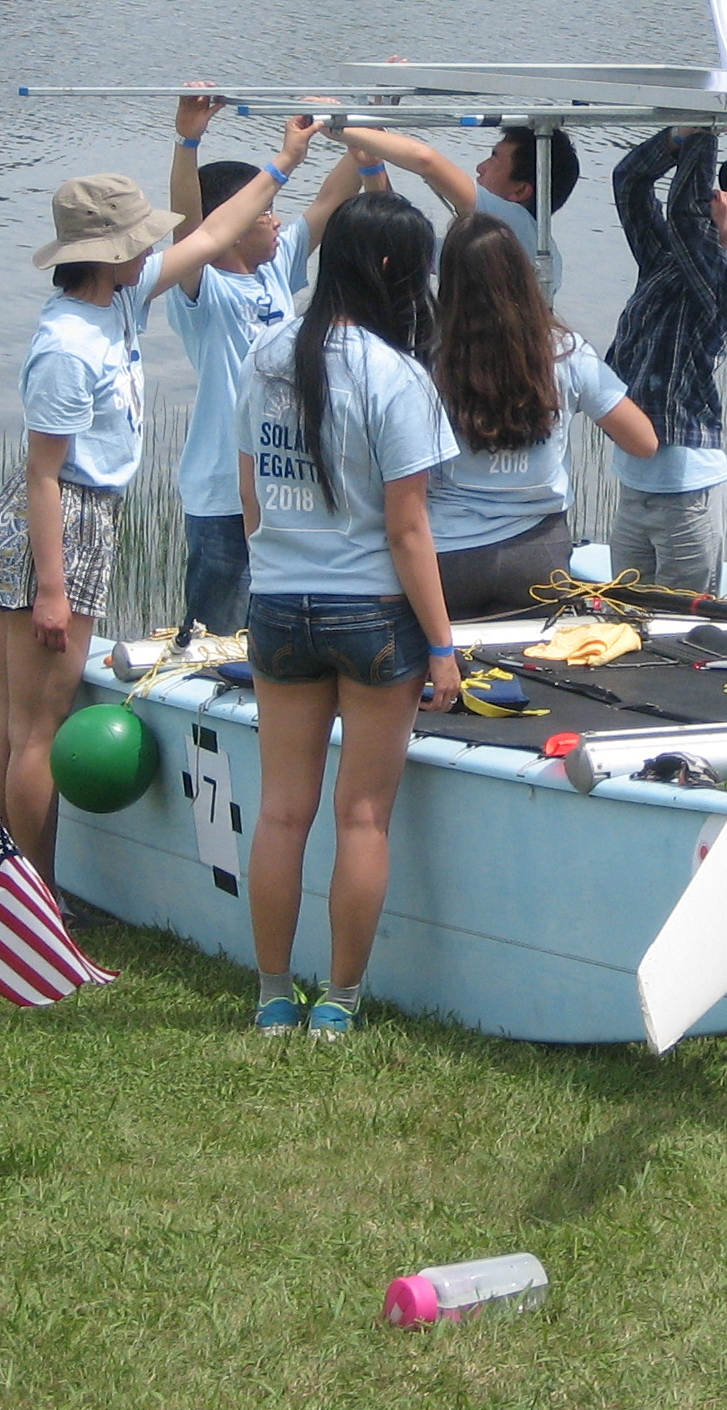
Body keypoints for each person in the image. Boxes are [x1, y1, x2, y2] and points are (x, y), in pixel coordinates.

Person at [0, 164, 297, 883]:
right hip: (60, 524)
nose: (152, 249)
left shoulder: (116, 301)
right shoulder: (68, 345)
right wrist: (52, 590)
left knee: (11, 725)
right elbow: (43, 474)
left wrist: (281, 165)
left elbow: (210, 234)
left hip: (60, 521)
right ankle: (35, 898)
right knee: (33, 732)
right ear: (108, 253)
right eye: (139, 240)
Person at [233, 190, 463, 1039]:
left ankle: (272, 995)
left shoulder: (265, 354)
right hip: (372, 614)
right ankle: (339, 1001)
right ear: (394, 271)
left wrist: (278, 565)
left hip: (278, 605)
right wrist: (443, 646)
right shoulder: (396, 376)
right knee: (361, 815)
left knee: (281, 811)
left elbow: (251, 494)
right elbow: (408, 530)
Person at [163, 97, 378, 638]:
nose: (278, 220)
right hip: (223, 498)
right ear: (233, 225)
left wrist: (364, 117)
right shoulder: (202, 289)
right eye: (264, 212)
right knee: (218, 641)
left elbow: (332, 198)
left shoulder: (276, 265)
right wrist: (188, 141)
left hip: (283, 488)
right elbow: (187, 229)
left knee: (280, 633)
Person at [427, 211, 657, 617]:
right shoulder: (566, 352)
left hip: (449, 557)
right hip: (538, 556)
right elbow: (644, 442)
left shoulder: (430, 357)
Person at [602, 128, 727, 596]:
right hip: (634, 484)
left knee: (680, 622)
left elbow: (687, 217)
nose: (717, 194)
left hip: (689, 492)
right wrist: (676, 137)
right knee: (627, 617)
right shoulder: (664, 260)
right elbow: (629, 182)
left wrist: (703, 136)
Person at [340, 124, 582, 293]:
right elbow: (400, 239)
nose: (480, 167)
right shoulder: (483, 241)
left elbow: (426, 161)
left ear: (520, 191)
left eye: (494, 158)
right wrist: (371, 166)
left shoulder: (518, 228)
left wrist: (339, 127)